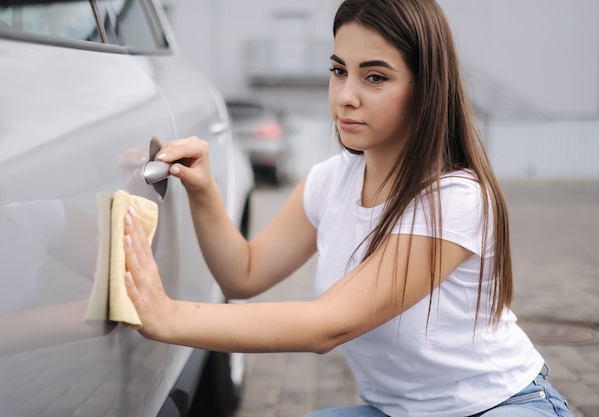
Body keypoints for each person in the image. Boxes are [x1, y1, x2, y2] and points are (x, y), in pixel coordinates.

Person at [122, 0, 574, 416]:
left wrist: (167, 316)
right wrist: (203, 190)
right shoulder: (330, 180)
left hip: (499, 406)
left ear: (426, 88)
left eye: (374, 77)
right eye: (339, 70)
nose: (346, 96)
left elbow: (328, 327)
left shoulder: (454, 197)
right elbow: (242, 274)